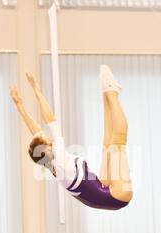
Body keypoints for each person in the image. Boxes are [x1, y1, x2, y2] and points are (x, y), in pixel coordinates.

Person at [10, 65, 132, 210]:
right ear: (48, 149)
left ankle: (106, 91)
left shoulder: (52, 163)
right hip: (117, 195)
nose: (50, 139)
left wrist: (20, 107)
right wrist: (37, 90)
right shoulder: (60, 161)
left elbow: (36, 132)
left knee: (107, 142)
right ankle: (112, 93)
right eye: (48, 141)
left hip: (103, 186)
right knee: (119, 139)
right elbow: (50, 120)